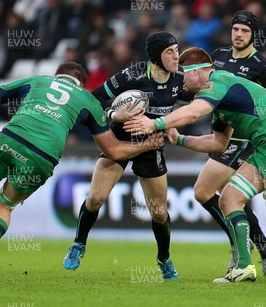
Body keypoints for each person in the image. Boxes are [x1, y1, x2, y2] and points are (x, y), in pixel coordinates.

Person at [0, 62, 163, 280]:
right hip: (42, 156)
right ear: (81, 84)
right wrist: (147, 143)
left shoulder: (37, 81)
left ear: (56, 76)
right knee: (4, 206)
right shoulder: (87, 101)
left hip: (10, 139)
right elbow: (115, 152)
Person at [125, 47, 266, 284]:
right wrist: (179, 139)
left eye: (183, 75)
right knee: (229, 199)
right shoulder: (219, 101)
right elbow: (218, 143)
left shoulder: (218, 82)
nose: (181, 84)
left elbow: (194, 113)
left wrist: (155, 124)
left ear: (198, 72)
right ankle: (244, 267)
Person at [62, 32, 186, 280]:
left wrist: (171, 124)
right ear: (156, 56)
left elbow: (199, 104)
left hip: (150, 146)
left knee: (159, 212)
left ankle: (164, 258)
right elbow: (93, 98)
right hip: (118, 143)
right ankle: (78, 244)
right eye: (170, 51)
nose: (176, 56)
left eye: (176, 49)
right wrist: (112, 115)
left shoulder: (180, 79)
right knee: (96, 198)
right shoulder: (132, 75)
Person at [196, 10, 266, 275]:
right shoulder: (219, 57)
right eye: (236, 29)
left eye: (245, 31)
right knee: (234, 201)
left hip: (244, 139)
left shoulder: (261, 65)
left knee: (203, 192)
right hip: (221, 136)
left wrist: (253, 120)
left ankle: (240, 247)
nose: (239, 34)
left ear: (253, 35)